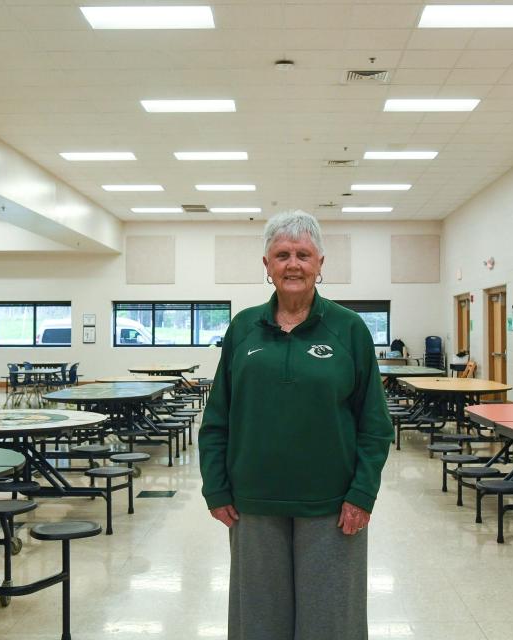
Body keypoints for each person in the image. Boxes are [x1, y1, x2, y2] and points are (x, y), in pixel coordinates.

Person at [199, 210, 394, 640]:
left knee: (330, 625)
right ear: (266, 265)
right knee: (258, 625)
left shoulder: (349, 329)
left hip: (332, 507)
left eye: (303, 254)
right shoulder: (243, 328)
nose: (293, 264)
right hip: (253, 505)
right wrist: (215, 487)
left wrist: (362, 493)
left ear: (320, 263)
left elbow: (375, 424)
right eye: (282, 254)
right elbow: (216, 419)